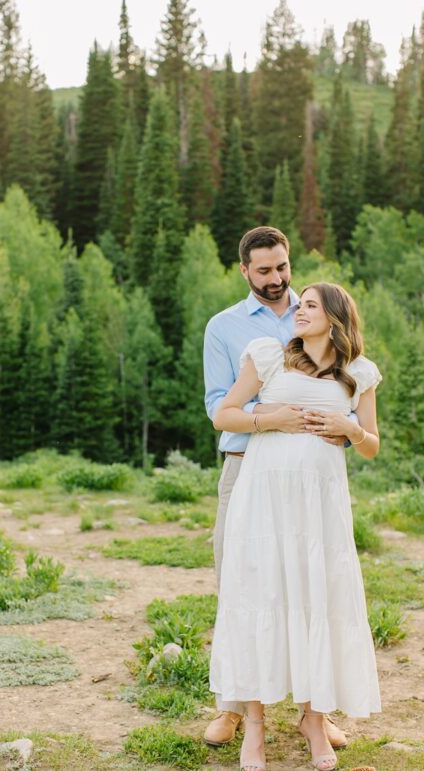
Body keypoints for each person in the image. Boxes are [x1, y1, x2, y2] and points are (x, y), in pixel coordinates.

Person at [209, 281, 382, 770]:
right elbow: (224, 414)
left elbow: (371, 444)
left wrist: (351, 429)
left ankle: (313, 717)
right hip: (263, 499)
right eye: (300, 305)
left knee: (316, 598)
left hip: (319, 507)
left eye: (309, 306)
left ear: (335, 315)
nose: (298, 312)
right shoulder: (267, 357)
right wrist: (273, 419)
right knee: (259, 595)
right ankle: (256, 727)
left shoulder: (358, 374)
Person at [201, 227, 349, 751]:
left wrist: (339, 429)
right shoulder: (225, 327)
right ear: (244, 270)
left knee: (313, 586)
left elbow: (346, 393)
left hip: (309, 477)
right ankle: (235, 709)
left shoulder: (317, 311)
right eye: (263, 271)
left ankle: (317, 710)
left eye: (281, 267)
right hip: (245, 466)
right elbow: (218, 404)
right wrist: (274, 418)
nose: (275, 279)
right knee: (241, 582)